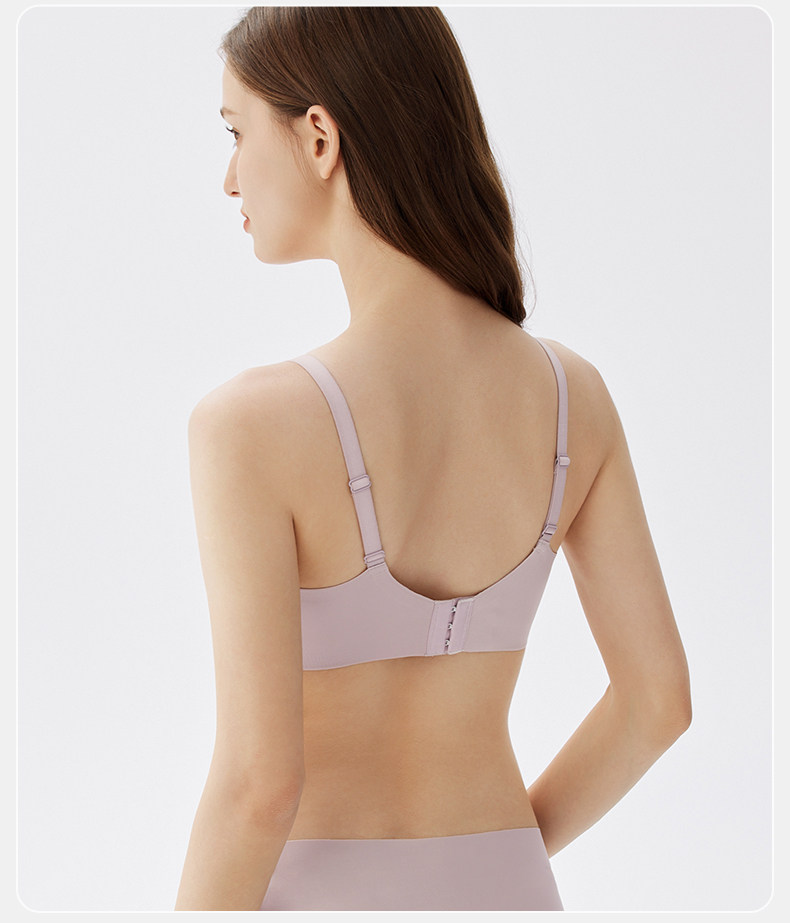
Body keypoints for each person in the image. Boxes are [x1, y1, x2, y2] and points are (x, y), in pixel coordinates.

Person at [174, 6, 691, 912]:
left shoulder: (250, 427)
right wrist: (503, 855)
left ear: (320, 137)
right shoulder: (574, 398)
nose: (228, 177)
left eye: (236, 131)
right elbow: (658, 702)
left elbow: (261, 785)